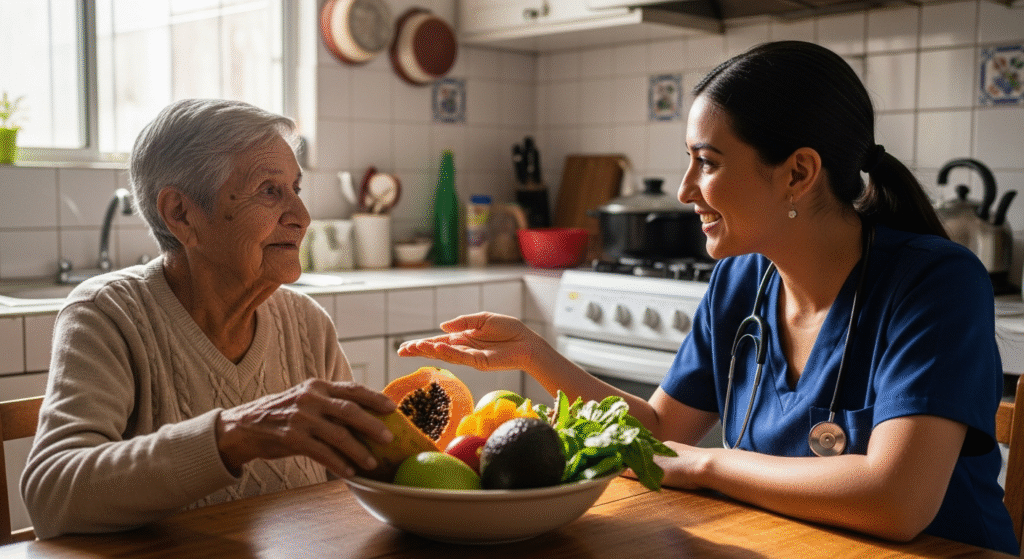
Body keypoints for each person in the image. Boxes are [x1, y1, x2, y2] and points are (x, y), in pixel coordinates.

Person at [398, 41, 1019, 554]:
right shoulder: (740, 280)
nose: (686, 189)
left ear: (799, 172)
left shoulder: (936, 284)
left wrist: (705, 465)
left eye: (708, 162)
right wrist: (535, 356)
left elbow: (897, 501)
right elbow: (662, 429)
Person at [21, 99, 397, 539]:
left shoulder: (307, 325)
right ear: (181, 213)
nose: (302, 216)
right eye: (270, 190)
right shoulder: (108, 316)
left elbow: (351, 495)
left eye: (296, 188)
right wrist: (231, 436)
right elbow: (52, 495)